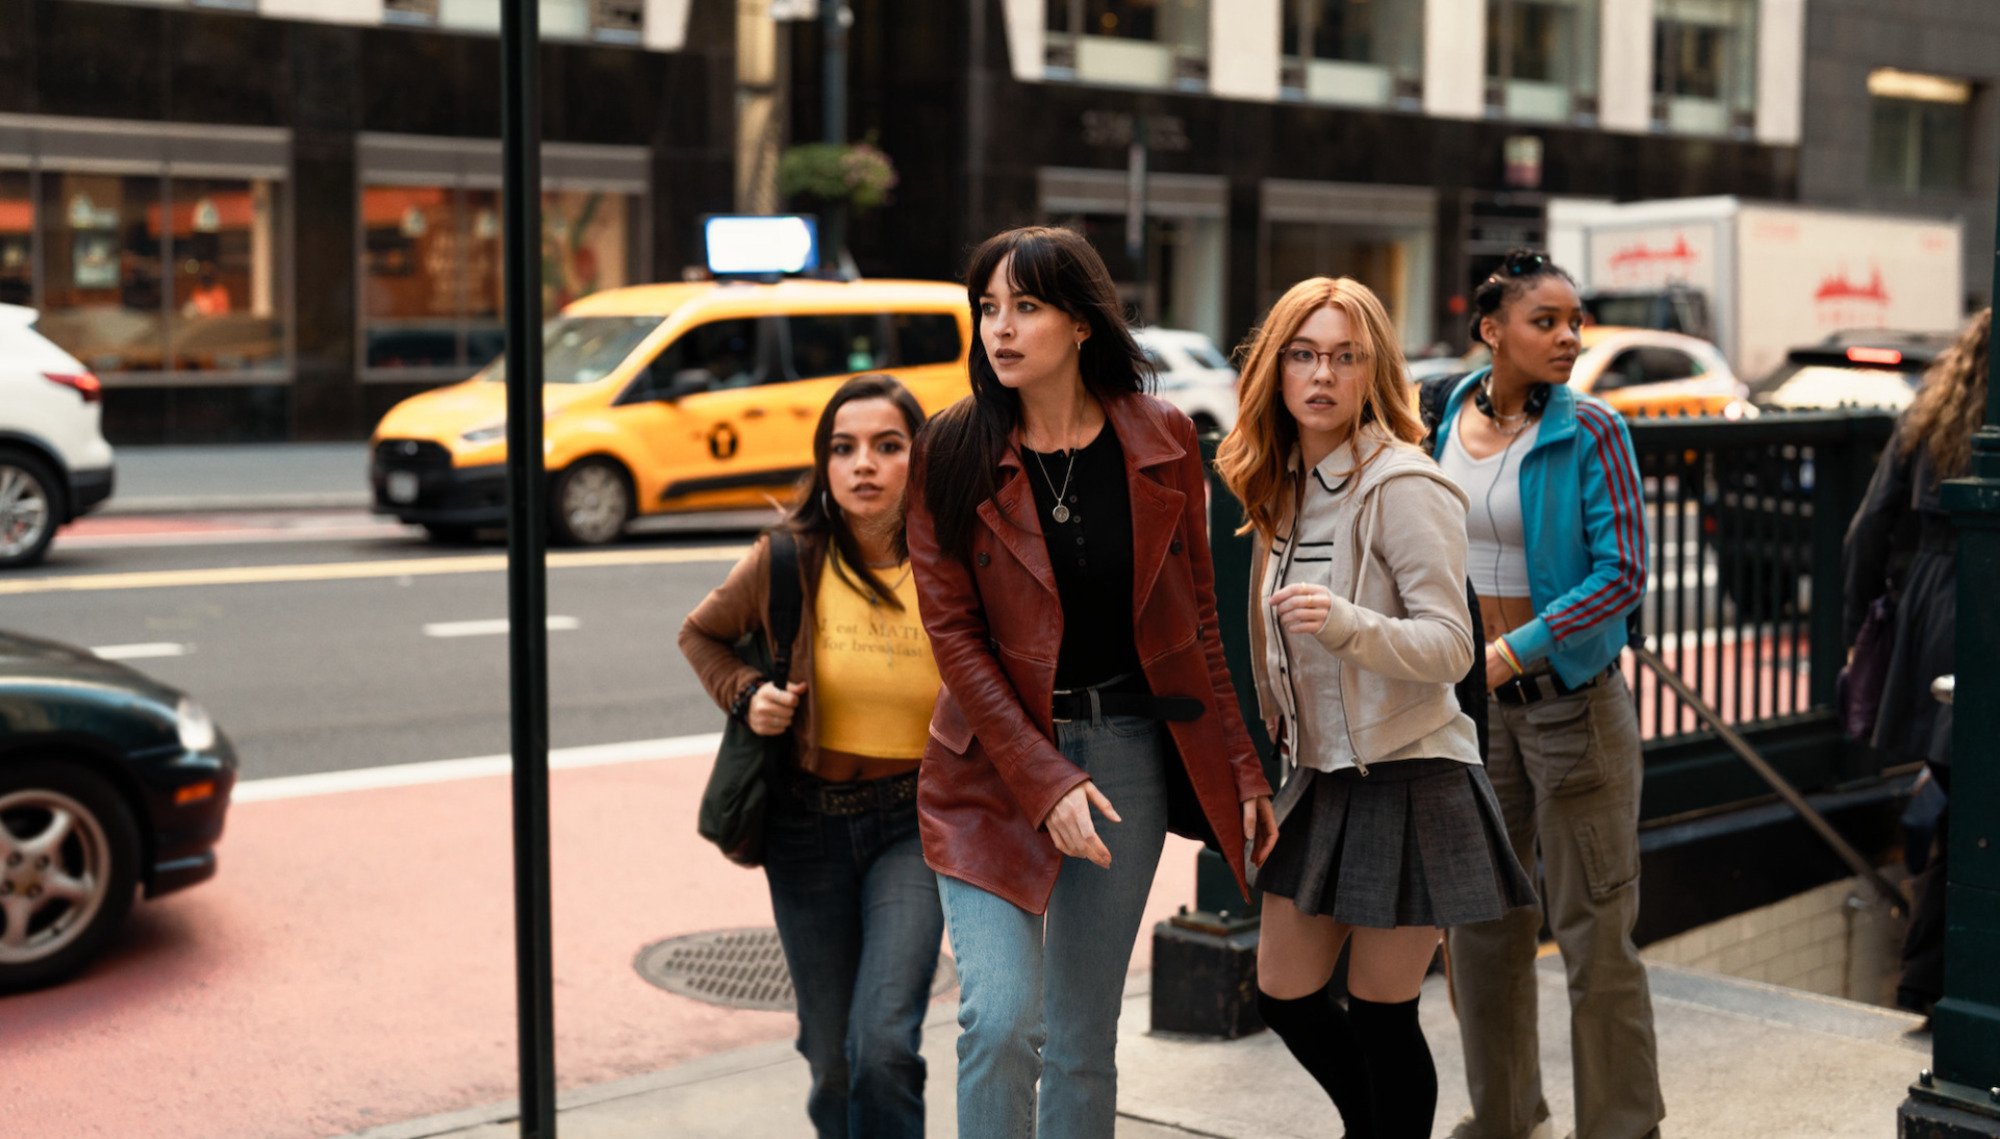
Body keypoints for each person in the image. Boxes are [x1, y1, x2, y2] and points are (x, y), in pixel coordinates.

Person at [906, 224, 1278, 1138]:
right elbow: (953, 636)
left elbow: (1197, 622)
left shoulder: (1159, 437)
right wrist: (1043, 779)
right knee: (999, 1023)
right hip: (990, 771)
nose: (1000, 328)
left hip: (1125, 759)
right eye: (987, 307)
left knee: (1081, 1037)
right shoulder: (950, 449)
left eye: (1025, 306)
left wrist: (1241, 765)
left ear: (1079, 323)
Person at [1216, 276, 1537, 1139]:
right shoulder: (1282, 484)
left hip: (1413, 772)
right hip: (1321, 774)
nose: (1322, 374)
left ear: (1375, 371)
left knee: (1383, 1012)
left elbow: (1451, 646)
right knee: (1284, 993)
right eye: (1304, 354)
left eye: (1345, 356)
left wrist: (1349, 625)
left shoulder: (1405, 483)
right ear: (1276, 370)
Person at [1428, 249, 1661, 1139]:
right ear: (1493, 331)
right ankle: (1505, 1117)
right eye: (1546, 321)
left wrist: (1512, 650)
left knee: (1596, 934)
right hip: (1475, 714)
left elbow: (1622, 574)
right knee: (1481, 930)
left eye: (1575, 321)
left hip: (1571, 707)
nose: (1568, 338)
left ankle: (1623, 1126)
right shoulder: (1449, 410)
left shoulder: (1592, 429)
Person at [679, 374, 943, 1139]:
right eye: (844, 447)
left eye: (888, 446)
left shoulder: (953, 565)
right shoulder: (787, 560)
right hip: (806, 829)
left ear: (918, 461)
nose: (864, 463)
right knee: (832, 1058)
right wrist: (746, 692)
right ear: (824, 464)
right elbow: (701, 634)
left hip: (911, 827)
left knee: (885, 1046)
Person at [1842, 307, 1988, 1018]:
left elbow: (1869, 528)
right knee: (1971, 810)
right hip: (1977, 608)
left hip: (1932, 615)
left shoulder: (1935, 413)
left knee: (1962, 800)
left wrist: (1858, 626)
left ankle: (1928, 982)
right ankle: (1937, 985)